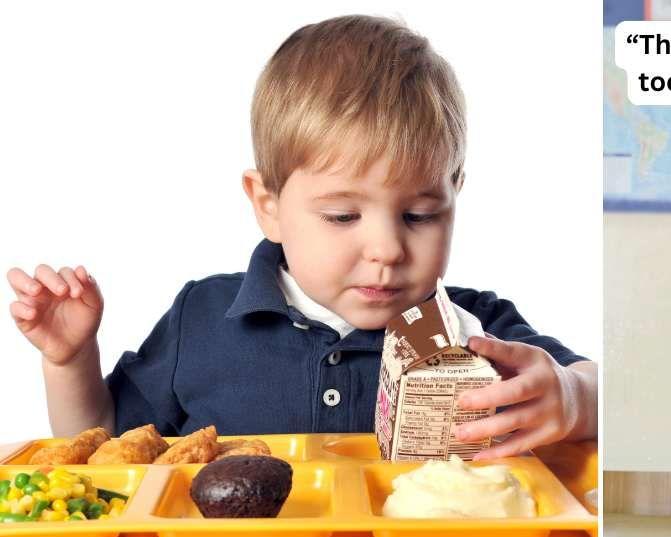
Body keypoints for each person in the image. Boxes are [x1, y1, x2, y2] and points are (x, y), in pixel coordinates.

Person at [5, 15, 597, 461]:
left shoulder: (480, 331)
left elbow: (615, 399)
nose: (388, 249)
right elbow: (103, 450)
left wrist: (571, 396)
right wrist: (70, 361)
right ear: (269, 206)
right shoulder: (203, 317)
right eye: (343, 216)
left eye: (419, 216)